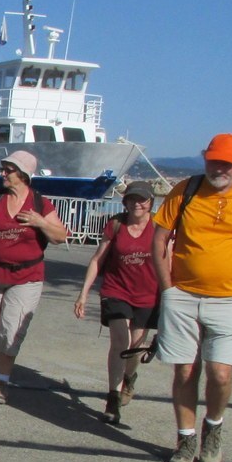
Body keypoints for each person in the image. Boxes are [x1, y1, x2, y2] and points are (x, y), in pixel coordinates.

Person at [151, 134, 232, 462]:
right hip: (183, 296)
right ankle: (186, 439)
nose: (219, 168)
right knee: (186, 369)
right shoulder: (186, 191)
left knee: (220, 374)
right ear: (204, 158)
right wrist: (168, 289)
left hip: (230, 299)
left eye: (227, 163)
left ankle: (214, 429)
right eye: (213, 161)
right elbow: (159, 240)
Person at [0, 150, 68, 405]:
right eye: (3, 169)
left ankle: (2, 381)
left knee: (10, 331)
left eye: (8, 170)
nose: (2, 173)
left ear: (22, 174)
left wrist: (39, 222)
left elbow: (60, 236)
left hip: (26, 276)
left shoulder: (39, 204)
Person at [74, 181, 159, 424]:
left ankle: (129, 378)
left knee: (135, 345)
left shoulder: (159, 228)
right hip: (116, 290)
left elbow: (169, 263)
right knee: (121, 341)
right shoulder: (116, 224)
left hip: (147, 294)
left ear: (151, 202)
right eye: (132, 199)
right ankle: (113, 396)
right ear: (125, 202)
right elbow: (97, 260)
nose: (137, 204)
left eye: (142, 199)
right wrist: (83, 293)